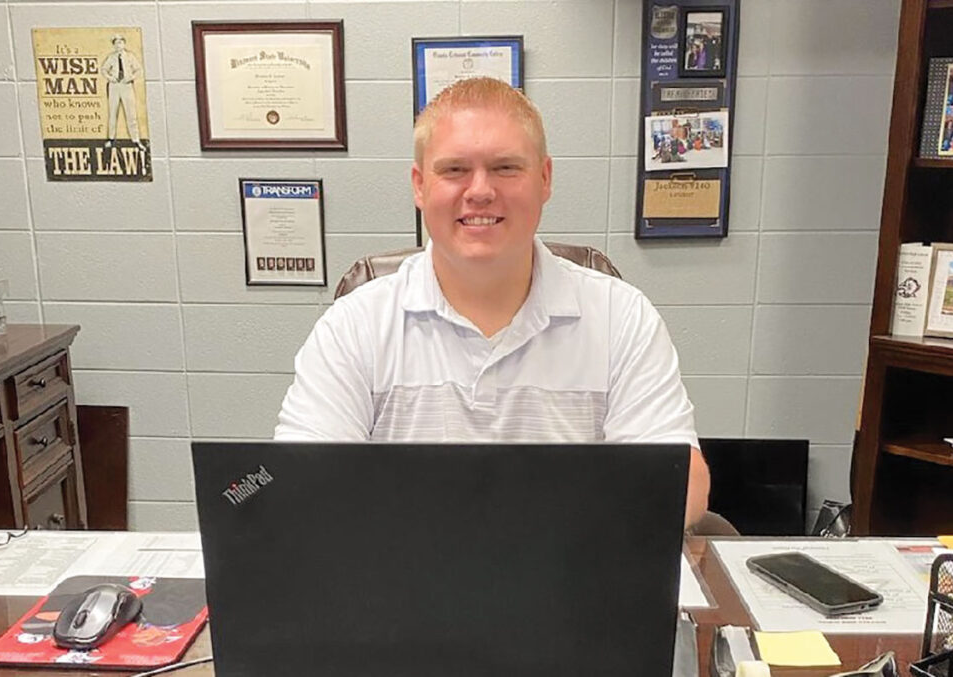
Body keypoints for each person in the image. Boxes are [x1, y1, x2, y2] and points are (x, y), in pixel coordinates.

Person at [274, 77, 710, 528]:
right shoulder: (354, 324)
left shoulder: (622, 317)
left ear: (544, 179)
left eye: (505, 168)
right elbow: (302, 486)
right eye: (455, 170)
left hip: (570, 579)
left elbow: (682, 488)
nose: (480, 190)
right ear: (420, 186)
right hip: (403, 583)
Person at [100, 34, 145, 151]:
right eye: (116, 43)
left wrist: (130, 78)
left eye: (120, 43)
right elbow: (104, 69)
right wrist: (111, 78)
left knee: (131, 113)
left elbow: (139, 69)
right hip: (114, 86)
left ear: (124, 44)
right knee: (113, 113)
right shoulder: (111, 57)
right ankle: (111, 139)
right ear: (113, 45)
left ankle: (136, 140)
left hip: (126, 86)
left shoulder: (130, 56)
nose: (118, 45)